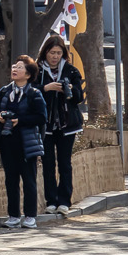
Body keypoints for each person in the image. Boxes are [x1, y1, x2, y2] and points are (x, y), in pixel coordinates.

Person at [0, 56, 47, 228]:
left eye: (20, 67)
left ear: (28, 74)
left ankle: (30, 216)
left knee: (29, 180)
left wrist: (19, 120)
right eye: (14, 66)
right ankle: (13, 215)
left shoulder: (34, 94)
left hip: (27, 144)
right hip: (7, 142)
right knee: (10, 180)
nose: (15, 69)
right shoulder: (5, 91)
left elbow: (41, 117)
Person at [34, 35, 87, 216]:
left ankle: (65, 200)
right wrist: (46, 88)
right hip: (46, 125)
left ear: (63, 54)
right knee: (48, 163)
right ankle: (51, 200)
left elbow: (80, 97)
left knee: (65, 163)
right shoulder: (38, 71)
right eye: (51, 53)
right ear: (45, 53)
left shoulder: (71, 71)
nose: (55, 57)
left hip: (67, 124)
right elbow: (30, 92)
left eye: (58, 53)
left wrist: (71, 89)